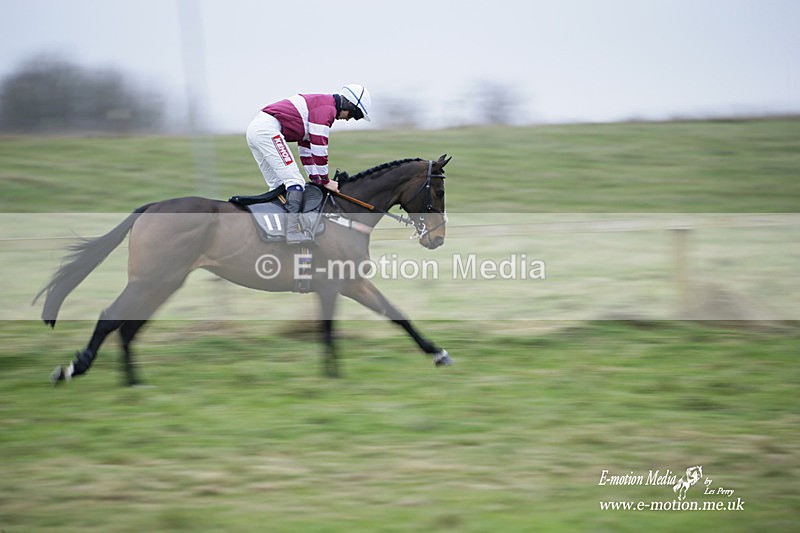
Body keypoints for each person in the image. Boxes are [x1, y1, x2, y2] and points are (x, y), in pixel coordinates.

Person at [246, 84, 372, 244]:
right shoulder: (327, 110)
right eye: (355, 114)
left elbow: (306, 150)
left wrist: (317, 180)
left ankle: (275, 231)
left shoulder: (320, 106)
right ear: (349, 104)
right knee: (295, 182)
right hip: (267, 130)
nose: (349, 119)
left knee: (278, 186)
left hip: (255, 130)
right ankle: (292, 232)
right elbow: (319, 148)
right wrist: (326, 181)